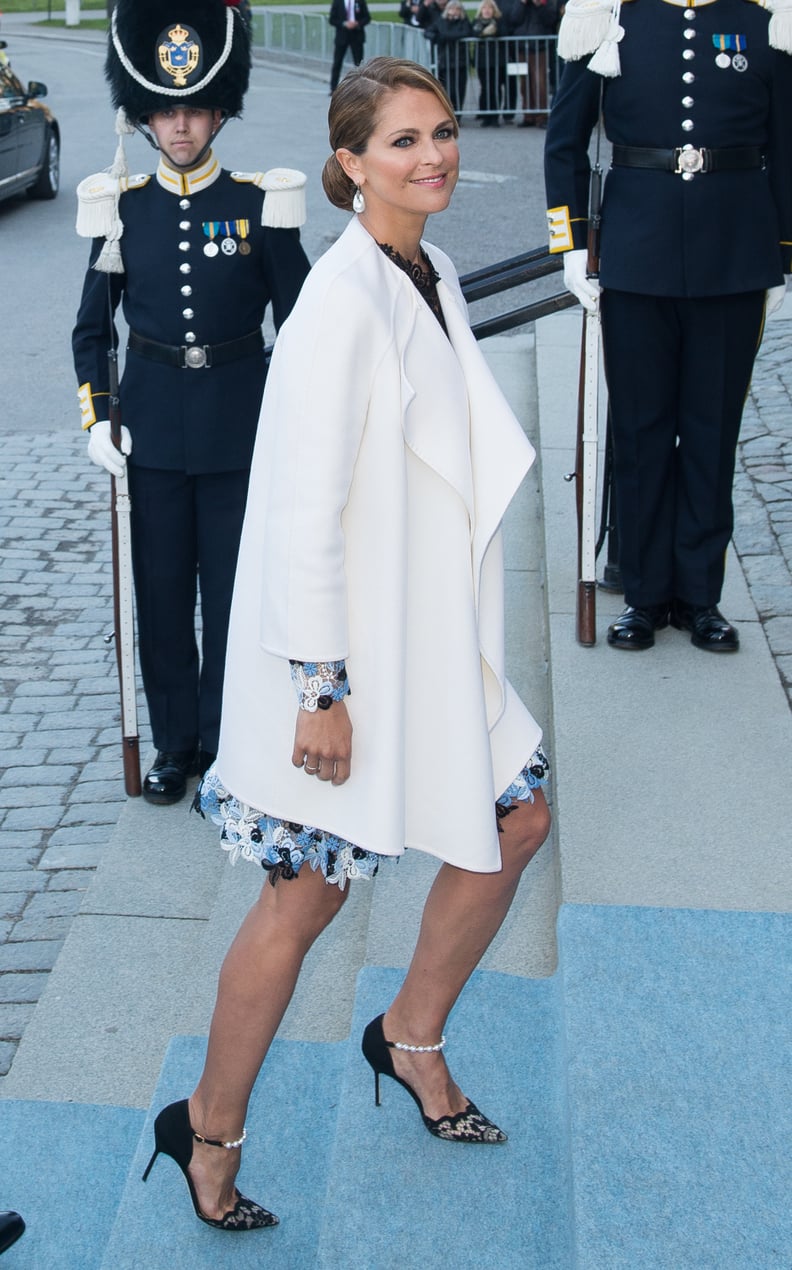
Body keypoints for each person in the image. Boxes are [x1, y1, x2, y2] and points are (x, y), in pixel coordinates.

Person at [141, 57, 551, 1232]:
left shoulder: (432, 269)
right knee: (305, 899)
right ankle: (207, 1129)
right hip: (341, 669)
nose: (435, 158)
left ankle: (408, 1036)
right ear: (351, 163)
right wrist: (321, 691)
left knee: (517, 817)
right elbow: (299, 508)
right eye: (406, 143)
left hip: (425, 645)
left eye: (445, 134)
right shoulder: (340, 299)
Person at [72, 0, 310, 804]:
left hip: (241, 432)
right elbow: (89, 330)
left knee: (236, 598)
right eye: (165, 112)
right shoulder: (123, 206)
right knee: (164, 601)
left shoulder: (258, 203)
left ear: (219, 112)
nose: (180, 127)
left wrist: (294, 422)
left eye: (194, 110)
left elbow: (304, 327)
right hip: (153, 436)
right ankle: (177, 747)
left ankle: (231, 743)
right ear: (144, 118)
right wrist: (98, 416)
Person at [545, 0, 792, 652]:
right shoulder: (607, 13)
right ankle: (646, 597)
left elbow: (789, 145)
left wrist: (784, 256)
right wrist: (569, 247)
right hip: (635, 254)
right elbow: (565, 138)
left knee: (712, 434)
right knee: (640, 431)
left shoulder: (767, 18)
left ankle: (699, 599)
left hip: (733, 256)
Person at [503, 0, 558, 125]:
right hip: (522, 47)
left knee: (539, 82)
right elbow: (514, 19)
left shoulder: (546, 3)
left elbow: (550, 20)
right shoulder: (518, 3)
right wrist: (521, 4)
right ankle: (528, 115)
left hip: (539, 47)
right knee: (524, 83)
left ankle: (542, 116)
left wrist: (539, 5)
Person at [429, 0, 474, 116]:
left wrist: (444, 36)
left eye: (457, 9)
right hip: (446, 61)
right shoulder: (441, 21)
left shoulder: (464, 22)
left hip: (461, 61)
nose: (454, 11)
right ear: (447, 10)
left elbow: (466, 33)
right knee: (448, 90)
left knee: (459, 90)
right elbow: (428, 32)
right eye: (452, 9)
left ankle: (457, 115)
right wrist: (436, 37)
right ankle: (448, 114)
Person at [472, 0, 506, 124]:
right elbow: (473, 32)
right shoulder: (476, 22)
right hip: (482, 61)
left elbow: (504, 32)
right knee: (485, 88)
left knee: (496, 87)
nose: (486, 10)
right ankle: (486, 116)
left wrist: (495, 30)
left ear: (494, 10)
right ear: (481, 10)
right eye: (484, 8)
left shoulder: (499, 22)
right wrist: (484, 32)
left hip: (497, 61)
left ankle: (495, 116)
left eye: (489, 8)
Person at [328, 0, 372, 92]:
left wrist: (358, 23)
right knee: (337, 62)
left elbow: (367, 18)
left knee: (359, 64)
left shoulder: (360, 2)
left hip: (356, 36)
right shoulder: (338, 2)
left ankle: (361, 89)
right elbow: (332, 19)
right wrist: (344, 24)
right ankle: (333, 88)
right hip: (342, 36)